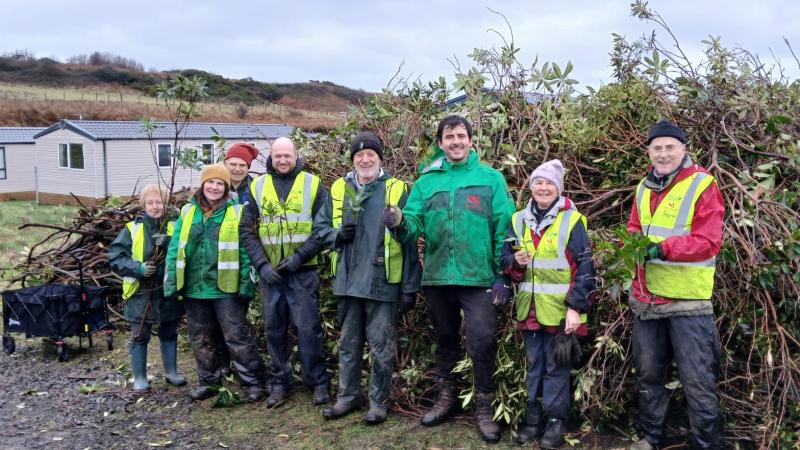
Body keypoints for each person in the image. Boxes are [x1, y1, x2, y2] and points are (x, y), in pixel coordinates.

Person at [384, 115, 515, 443]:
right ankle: (448, 398)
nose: (455, 141)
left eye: (461, 136)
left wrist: (503, 274)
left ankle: (483, 405)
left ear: (471, 140)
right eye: (449, 137)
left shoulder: (491, 179)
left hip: (478, 277)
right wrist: (399, 221)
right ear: (440, 143)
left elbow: (505, 228)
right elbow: (413, 222)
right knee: (444, 340)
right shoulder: (426, 182)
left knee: (482, 341)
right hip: (439, 277)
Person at [627, 121, 724, 450]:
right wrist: (630, 248)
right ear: (649, 152)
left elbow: (708, 241)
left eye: (670, 146)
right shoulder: (643, 188)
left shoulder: (702, 185)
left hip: (688, 303)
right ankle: (652, 437)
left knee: (698, 380)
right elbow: (633, 228)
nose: (663, 153)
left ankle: (707, 444)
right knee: (649, 375)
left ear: (683, 149)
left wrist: (662, 248)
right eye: (657, 148)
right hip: (647, 300)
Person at [314, 132, 421, 424]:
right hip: (347, 281)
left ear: (380, 158)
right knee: (348, 344)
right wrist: (336, 235)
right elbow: (320, 228)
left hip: (382, 281)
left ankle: (378, 403)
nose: (365, 159)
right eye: (358, 155)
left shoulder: (397, 189)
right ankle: (346, 398)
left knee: (381, 347)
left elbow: (409, 239)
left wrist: (410, 287)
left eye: (370, 154)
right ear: (352, 159)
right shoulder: (338, 188)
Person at [500, 160, 595, 448]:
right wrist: (514, 263)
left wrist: (575, 308)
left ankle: (555, 423)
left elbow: (586, 269)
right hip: (529, 311)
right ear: (531, 187)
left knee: (557, 369)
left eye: (549, 183)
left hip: (560, 314)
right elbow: (505, 265)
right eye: (538, 182)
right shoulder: (517, 221)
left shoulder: (573, 221)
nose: (543, 188)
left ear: (558, 188)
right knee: (534, 367)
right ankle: (534, 420)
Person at [239, 137, 331, 407]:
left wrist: (300, 257)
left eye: (286, 155)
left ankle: (318, 382)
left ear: (295, 155)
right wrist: (262, 265)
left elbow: (322, 229)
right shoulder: (257, 186)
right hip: (271, 275)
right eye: (277, 155)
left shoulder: (313, 185)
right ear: (271, 156)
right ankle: (281, 382)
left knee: (308, 329)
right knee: (275, 330)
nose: (282, 160)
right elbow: (246, 229)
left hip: (303, 271)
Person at [164, 164, 267, 403]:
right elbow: (174, 248)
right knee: (201, 337)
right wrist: (171, 281)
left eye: (220, 183)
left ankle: (254, 382)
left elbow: (245, 252)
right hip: (193, 288)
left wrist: (245, 284)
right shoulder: (188, 212)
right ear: (203, 185)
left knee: (236, 336)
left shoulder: (236, 212)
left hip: (225, 287)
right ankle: (209, 381)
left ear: (226, 187)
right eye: (210, 182)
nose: (214, 187)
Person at [109, 184, 186, 392]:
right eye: (150, 203)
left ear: (166, 204)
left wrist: (169, 242)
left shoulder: (174, 226)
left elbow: (185, 251)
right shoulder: (133, 229)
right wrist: (138, 268)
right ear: (143, 205)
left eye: (159, 202)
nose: (155, 207)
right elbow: (116, 258)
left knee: (169, 331)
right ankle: (140, 377)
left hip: (168, 290)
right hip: (141, 293)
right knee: (140, 334)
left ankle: (171, 372)